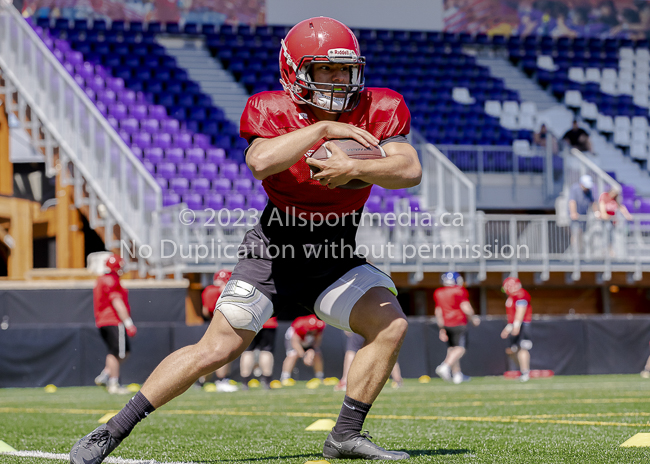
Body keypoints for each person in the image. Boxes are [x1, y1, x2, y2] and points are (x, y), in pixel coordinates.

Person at [70, 16, 420, 463]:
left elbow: (409, 169)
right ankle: (113, 430)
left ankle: (345, 436)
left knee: (391, 325)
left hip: (333, 254)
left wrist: (355, 167)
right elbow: (260, 162)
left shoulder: (379, 107)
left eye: (344, 70)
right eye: (324, 70)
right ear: (295, 73)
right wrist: (323, 130)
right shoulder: (270, 109)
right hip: (272, 252)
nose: (337, 80)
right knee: (216, 348)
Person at [93, 254, 137, 395]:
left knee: (121, 352)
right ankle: (113, 383)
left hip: (102, 321)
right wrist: (128, 323)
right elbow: (117, 302)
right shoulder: (111, 281)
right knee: (117, 352)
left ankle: (106, 375)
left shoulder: (102, 279)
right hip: (113, 320)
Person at [433, 272, 480, 384]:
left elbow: (438, 311)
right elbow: (466, 307)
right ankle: (445, 366)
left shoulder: (438, 292)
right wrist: (473, 318)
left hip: (446, 323)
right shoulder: (459, 291)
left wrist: (441, 328)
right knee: (460, 348)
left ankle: (457, 374)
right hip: (458, 322)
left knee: (452, 349)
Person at [199, 270, 238, 392]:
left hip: (211, 324)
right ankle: (222, 380)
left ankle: (201, 381)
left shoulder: (208, 290)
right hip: (224, 325)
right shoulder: (227, 291)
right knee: (224, 352)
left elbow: (205, 311)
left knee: (210, 354)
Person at [334, 331, 403, 392]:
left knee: (352, 350)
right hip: (382, 325)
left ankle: (345, 381)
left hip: (364, 323)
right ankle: (397, 380)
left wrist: (348, 326)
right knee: (387, 351)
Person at [500, 277, 533, 382]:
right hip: (515, 324)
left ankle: (525, 372)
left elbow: (521, 310)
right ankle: (522, 370)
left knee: (522, 348)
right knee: (511, 350)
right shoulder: (512, 297)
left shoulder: (520, 294)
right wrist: (509, 327)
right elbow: (512, 315)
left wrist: (517, 325)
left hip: (522, 324)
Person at [281, 315, 325, 384]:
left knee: (317, 354)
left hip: (308, 341)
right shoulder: (299, 326)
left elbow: (317, 342)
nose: (313, 331)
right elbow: (295, 343)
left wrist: (311, 351)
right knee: (293, 354)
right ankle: (285, 377)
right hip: (295, 341)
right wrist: (304, 356)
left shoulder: (320, 327)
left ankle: (319, 377)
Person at [239, 316, 277, 389]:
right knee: (266, 351)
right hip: (268, 321)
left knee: (248, 351)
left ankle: (245, 383)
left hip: (248, 321)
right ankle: (267, 383)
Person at [597, 186, 633, 256]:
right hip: (605, 220)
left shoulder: (615, 199)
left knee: (611, 236)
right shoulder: (604, 196)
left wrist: (627, 215)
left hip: (612, 221)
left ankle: (610, 250)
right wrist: (604, 214)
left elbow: (621, 207)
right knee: (606, 235)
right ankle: (604, 250)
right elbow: (602, 206)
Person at [568, 174, 596, 254]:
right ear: (581, 184)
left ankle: (581, 253)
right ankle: (575, 253)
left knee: (582, 236)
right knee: (576, 234)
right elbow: (572, 201)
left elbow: (593, 202)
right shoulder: (575, 188)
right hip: (576, 218)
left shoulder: (589, 191)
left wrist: (597, 212)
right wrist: (573, 213)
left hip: (584, 217)